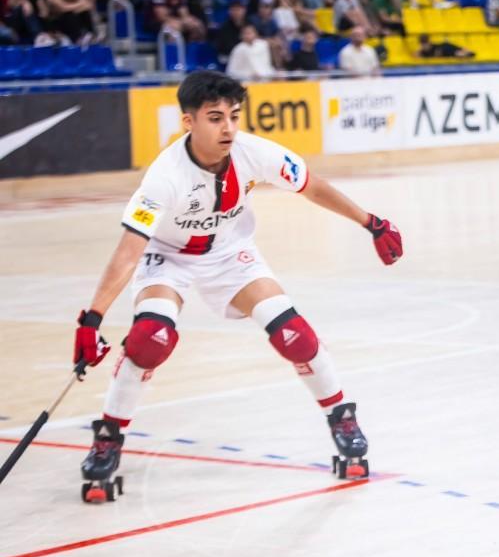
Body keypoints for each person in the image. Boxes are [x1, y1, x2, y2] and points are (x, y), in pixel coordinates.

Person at [71, 71, 403, 500]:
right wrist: (92, 319)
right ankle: (109, 435)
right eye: (215, 118)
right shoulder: (163, 177)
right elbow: (129, 249)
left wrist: (371, 223)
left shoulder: (253, 152)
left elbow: (312, 186)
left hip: (230, 255)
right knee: (149, 338)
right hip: (168, 258)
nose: (227, 127)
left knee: (295, 335)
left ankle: (341, 415)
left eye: (233, 116)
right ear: (188, 122)